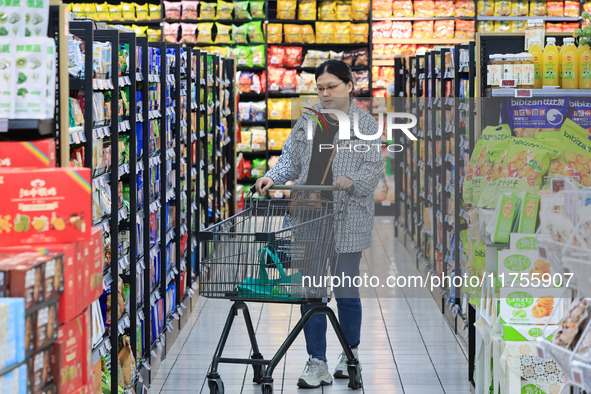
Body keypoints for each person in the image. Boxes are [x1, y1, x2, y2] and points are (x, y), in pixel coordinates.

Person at [255, 60, 384, 389]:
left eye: (332, 87)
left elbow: (373, 168)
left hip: (348, 218)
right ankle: (317, 361)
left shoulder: (365, 124)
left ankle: (349, 354)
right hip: (309, 215)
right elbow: (290, 157)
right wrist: (272, 176)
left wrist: (352, 180)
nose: (325, 93)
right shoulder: (308, 120)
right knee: (312, 291)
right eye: (321, 88)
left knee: (345, 290)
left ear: (350, 85)